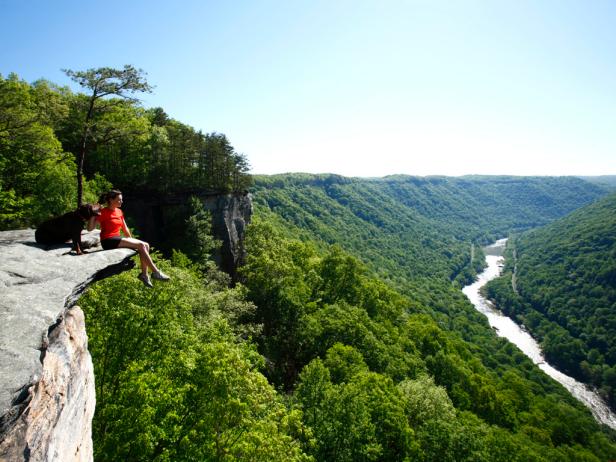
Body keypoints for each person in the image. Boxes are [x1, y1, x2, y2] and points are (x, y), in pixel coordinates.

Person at [89, 190, 170, 287]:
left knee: (145, 245)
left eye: (121, 200)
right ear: (111, 200)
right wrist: (93, 214)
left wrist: (132, 241)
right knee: (141, 245)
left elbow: (125, 227)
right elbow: (90, 229)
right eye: (119, 200)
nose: (121, 202)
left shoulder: (119, 211)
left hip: (117, 238)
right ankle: (156, 272)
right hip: (108, 240)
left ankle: (144, 275)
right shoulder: (103, 212)